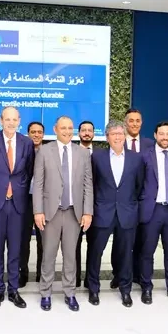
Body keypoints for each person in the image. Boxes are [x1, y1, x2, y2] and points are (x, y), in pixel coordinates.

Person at [33, 116, 93, 312]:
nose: (67, 131)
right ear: (55, 129)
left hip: (74, 213)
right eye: (63, 128)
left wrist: (88, 212)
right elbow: (38, 183)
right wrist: (38, 211)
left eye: (70, 128)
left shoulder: (82, 153)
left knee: (70, 256)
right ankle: (46, 293)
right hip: (50, 212)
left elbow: (88, 184)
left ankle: (70, 292)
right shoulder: (44, 151)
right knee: (48, 255)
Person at [0, 106, 34, 309]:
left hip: (18, 203)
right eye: (7, 119)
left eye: (14, 119)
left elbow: (29, 171)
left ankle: (13, 289)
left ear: (19, 121)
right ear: (0, 121)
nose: (11, 123)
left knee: (15, 250)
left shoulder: (27, 143)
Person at [87, 119, 144, 308]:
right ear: (107, 137)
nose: (117, 137)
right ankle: (93, 288)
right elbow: (92, 184)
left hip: (127, 213)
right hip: (102, 212)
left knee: (125, 254)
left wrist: (131, 204)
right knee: (95, 252)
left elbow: (139, 185)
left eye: (120, 133)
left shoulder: (136, 158)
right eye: (113, 134)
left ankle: (125, 289)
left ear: (125, 136)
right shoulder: (97, 157)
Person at [138, 121, 168, 305]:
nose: (165, 137)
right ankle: (146, 287)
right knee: (147, 252)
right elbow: (139, 182)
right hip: (152, 210)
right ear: (155, 135)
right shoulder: (145, 156)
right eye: (161, 133)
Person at [122, 108, 154, 285]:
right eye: (131, 120)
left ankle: (138, 275)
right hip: (123, 201)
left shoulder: (150, 144)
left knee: (142, 241)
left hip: (143, 201)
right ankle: (120, 275)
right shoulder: (118, 142)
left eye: (138, 120)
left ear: (141, 123)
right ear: (125, 122)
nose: (134, 124)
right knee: (123, 242)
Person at [21, 121, 45, 286]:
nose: (36, 135)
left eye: (39, 132)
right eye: (33, 132)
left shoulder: (49, 152)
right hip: (25, 200)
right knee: (23, 240)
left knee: (44, 241)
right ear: (28, 133)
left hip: (44, 201)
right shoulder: (22, 151)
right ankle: (22, 274)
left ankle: (41, 275)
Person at [75, 120, 95, 288]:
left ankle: (90, 279)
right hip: (75, 207)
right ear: (79, 133)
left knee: (93, 245)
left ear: (94, 133)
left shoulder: (101, 154)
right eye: (83, 130)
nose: (87, 133)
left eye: (90, 130)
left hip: (96, 207)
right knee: (74, 246)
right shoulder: (71, 152)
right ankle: (74, 279)